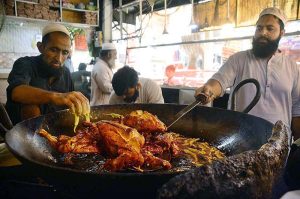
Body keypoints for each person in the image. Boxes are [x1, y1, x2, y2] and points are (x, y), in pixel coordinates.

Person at [195, 7, 300, 142]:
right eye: (259, 28)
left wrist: (296, 144)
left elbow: (297, 109)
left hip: (278, 142)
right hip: (240, 139)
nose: (263, 33)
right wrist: (209, 89)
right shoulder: (238, 59)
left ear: (282, 33)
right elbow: (219, 81)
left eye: (270, 28)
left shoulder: (292, 67)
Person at [5, 23, 90, 125]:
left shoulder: (65, 73)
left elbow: (69, 107)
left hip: (55, 132)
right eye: (53, 50)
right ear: (41, 47)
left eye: (65, 52)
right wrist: (56, 97)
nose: (58, 58)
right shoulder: (25, 64)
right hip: (20, 133)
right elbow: (16, 92)